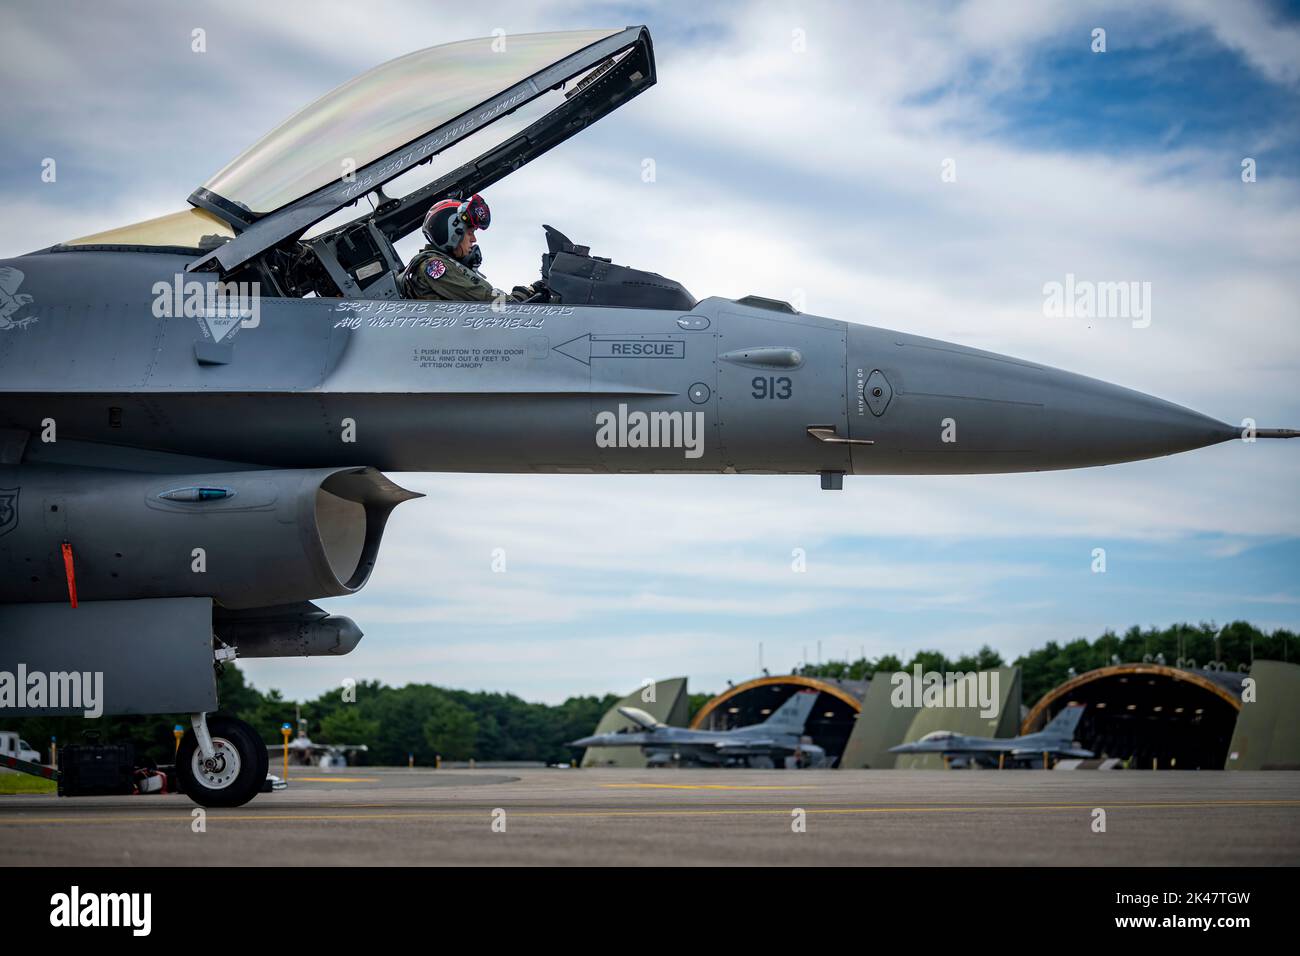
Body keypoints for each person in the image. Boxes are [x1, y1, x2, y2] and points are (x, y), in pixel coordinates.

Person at [401, 193, 539, 302]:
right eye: (470, 232)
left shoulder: (440, 264)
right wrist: (519, 299)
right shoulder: (434, 265)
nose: (474, 239)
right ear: (452, 233)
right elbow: (484, 301)